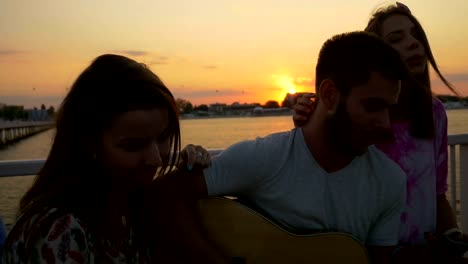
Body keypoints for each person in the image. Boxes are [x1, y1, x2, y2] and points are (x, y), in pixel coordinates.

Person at [152, 31, 408, 264]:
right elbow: (161, 196)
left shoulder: (390, 182)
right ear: (329, 94)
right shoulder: (265, 158)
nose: (385, 124)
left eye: (390, 108)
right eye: (373, 106)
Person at [292, 2, 466, 263]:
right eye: (397, 38)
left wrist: (452, 236)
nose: (413, 43)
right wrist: (307, 114)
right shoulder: (353, 116)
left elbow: (438, 195)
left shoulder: (434, 112)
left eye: (416, 35)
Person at [1, 54, 212, 263]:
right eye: (133, 146)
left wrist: (186, 176)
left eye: (163, 138)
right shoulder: (60, 233)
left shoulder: (127, 205)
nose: (156, 159)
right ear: (88, 143)